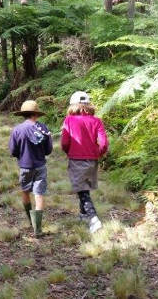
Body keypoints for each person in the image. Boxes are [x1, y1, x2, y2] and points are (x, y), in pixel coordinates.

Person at [60, 91, 109, 233]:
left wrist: (69, 151)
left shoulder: (69, 120)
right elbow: (104, 143)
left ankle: (94, 219)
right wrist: (97, 153)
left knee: (82, 191)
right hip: (92, 160)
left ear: (73, 105)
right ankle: (83, 215)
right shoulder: (96, 121)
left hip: (76, 159)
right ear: (88, 105)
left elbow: (65, 142)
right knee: (84, 186)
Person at [9, 100, 52, 236]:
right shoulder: (44, 128)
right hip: (40, 166)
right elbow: (48, 150)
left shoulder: (17, 130)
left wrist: (21, 155)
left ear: (23, 114)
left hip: (25, 167)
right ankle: (37, 229)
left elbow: (13, 150)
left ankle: (30, 220)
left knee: (25, 192)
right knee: (39, 195)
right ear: (36, 114)